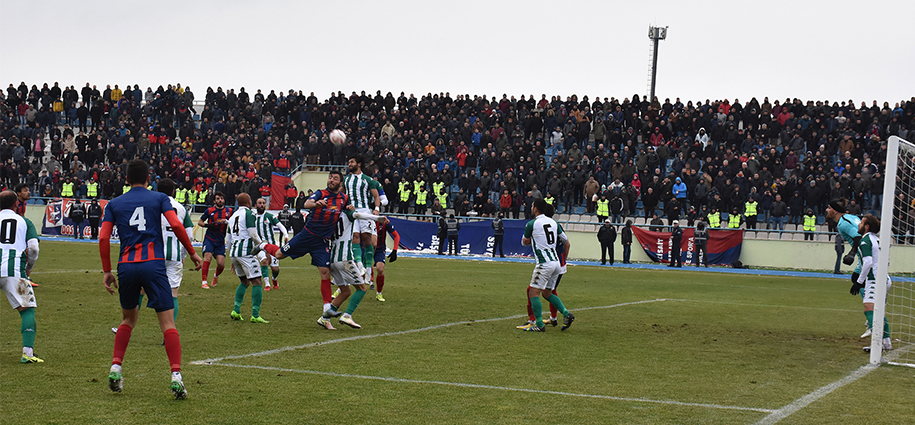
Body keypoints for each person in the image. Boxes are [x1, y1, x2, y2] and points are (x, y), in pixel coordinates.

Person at [99, 159, 202, 399]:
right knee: (167, 323)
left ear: (126, 179)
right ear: (149, 179)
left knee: (127, 320)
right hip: (154, 265)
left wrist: (106, 270)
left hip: (126, 266)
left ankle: (116, 367)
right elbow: (176, 224)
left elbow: (104, 239)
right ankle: (176, 375)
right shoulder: (159, 198)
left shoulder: (114, 203)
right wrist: (192, 252)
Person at [254, 171, 350, 314]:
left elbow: (347, 209)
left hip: (322, 241)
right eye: (330, 177)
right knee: (280, 255)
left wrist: (350, 208)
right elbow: (306, 202)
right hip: (307, 235)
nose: (331, 180)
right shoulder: (320, 193)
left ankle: (326, 308)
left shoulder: (344, 198)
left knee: (325, 272)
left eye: (335, 179)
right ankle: (262, 245)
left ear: (340, 183)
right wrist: (315, 204)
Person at [317, 204, 388, 330]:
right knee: (362, 288)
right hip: (344, 259)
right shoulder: (348, 214)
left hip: (332, 259)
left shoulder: (332, 217)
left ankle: (324, 318)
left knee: (346, 291)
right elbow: (359, 215)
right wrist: (378, 218)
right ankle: (347, 315)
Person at [519, 198, 575, 332]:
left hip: (544, 263)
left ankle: (539, 324)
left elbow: (525, 242)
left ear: (536, 208)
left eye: (532, 206)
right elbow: (565, 240)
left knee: (533, 292)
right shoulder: (554, 222)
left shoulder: (532, 224)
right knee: (547, 293)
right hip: (556, 263)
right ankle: (567, 314)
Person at [0, 191, 42, 363]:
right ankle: (27, 354)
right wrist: (29, 267)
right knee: (27, 310)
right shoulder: (25, 221)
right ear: (16, 204)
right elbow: (33, 249)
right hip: (14, 270)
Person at [826, 198, 868, 338]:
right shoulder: (851, 217)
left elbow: (858, 237)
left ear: (835, 210)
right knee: (856, 279)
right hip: (865, 253)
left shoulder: (843, 223)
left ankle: (873, 318)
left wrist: (851, 253)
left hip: (866, 254)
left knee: (863, 285)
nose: (826, 210)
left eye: (828, 208)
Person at [227, 193, 269, 323]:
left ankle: (236, 310)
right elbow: (252, 233)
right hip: (245, 252)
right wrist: (262, 245)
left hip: (234, 252)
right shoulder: (249, 213)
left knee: (244, 282)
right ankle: (255, 315)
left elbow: (228, 239)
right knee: (257, 281)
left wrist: (232, 258)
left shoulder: (233, 216)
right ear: (249, 202)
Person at [853, 214, 893, 351]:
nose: (859, 225)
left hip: (875, 280)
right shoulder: (877, 239)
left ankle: (877, 344)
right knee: (879, 311)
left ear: (867, 227)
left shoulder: (865, 241)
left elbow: (868, 262)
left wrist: (859, 282)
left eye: (861, 223)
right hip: (885, 278)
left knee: (869, 309)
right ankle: (886, 343)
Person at [157, 178, 193, 326]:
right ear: (173, 191)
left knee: (141, 289)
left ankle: (127, 326)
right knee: (173, 294)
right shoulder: (181, 208)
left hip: (155, 253)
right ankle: (169, 331)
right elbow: (189, 235)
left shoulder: (154, 205)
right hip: (175, 254)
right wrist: (184, 255)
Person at [343, 154, 382, 286]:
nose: (349, 164)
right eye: (349, 162)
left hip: (365, 211)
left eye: (351, 161)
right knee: (355, 237)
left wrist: (376, 208)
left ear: (358, 164)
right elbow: (341, 195)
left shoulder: (367, 180)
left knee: (367, 239)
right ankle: (360, 266)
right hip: (352, 212)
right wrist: (345, 206)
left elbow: (376, 196)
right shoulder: (346, 179)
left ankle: (369, 270)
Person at [197, 192, 232, 289]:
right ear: (214, 201)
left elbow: (235, 221)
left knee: (221, 264)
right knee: (207, 257)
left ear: (224, 200)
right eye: (218, 198)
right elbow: (200, 222)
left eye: (221, 198)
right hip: (210, 238)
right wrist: (208, 225)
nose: (220, 200)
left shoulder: (229, 211)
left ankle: (215, 276)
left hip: (220, 241)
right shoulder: (209, 210)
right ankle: (204, 282)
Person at [253, 197, 289, 290]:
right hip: (259, 246)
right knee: (264, 261)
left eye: (263, 203)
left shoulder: (269, 216)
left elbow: (280, 225)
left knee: (275, 269)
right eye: (260, 203)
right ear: (256, 205)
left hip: (271, 246)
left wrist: (286, 235)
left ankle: (274, 278)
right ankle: (267, 284)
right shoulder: (253, 217)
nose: (262, 205)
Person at [370, 218, 400, 302]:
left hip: (380, 249)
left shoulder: (384, 222)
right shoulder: (365, 219)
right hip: (366, 248)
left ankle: (379, 293)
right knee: (355, 268)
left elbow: (396, 236)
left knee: (380, 269)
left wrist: (394, 250)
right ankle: (340, 290)